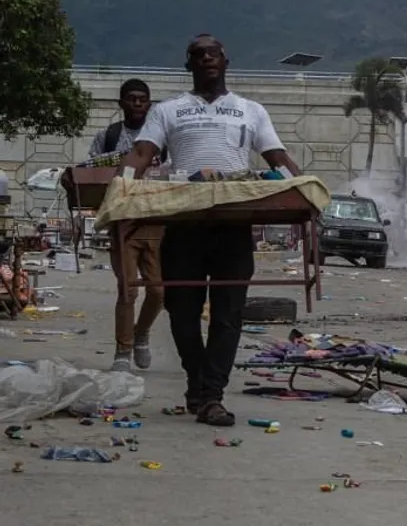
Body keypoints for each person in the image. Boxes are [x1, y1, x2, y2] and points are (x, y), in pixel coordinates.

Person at [122, 35, 301, 426]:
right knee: (181, 313)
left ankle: (211, 395)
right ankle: (198, 383)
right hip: (184, 224)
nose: (206, 58)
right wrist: (120, 186)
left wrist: (307, 188)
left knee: (227, 316)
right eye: (198, 55)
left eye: (213, 53)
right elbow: (141, 155)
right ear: (188, 65)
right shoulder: (169, 110)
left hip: (233, 226)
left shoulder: (250, 111)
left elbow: (277, 157)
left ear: (226, 61)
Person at [87, 78, 163, 372]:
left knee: (157, 291)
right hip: (122, 222)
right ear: (121, 103)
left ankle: (141, 333)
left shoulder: (162, 138)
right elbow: (91, 170)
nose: (137, 103)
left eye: (143, 99)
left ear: (149, 104)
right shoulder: (108, 135)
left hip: (155, 220)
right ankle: (123, 349)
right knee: (127, 289)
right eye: (131, 98)